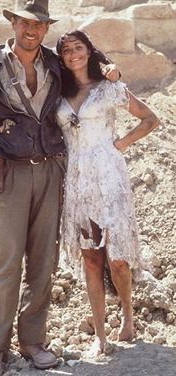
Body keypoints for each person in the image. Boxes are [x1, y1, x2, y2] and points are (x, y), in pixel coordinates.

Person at [0, 1, 120, 375]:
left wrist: (111, 68)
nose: (32, 30)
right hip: (8, 176)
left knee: (43, 264)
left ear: (46, 28)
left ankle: (33, 341)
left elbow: (86, 69)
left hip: (51, 172)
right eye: (25, 23)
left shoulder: (54, 62)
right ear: (14, 23)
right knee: (5, 264)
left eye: (40, 24)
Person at [55, 30, 160, 358]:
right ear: (61, 58)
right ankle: (100, 335)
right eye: (67, 50)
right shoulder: (57, 94)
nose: (73, 54)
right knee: (90, 258)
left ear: (89, 50)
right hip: (78, 182)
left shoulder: (109, 88)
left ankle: (128, 318)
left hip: (110, 178)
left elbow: (149, 119)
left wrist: (120, 145)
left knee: (117, 258)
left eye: (79, 47)